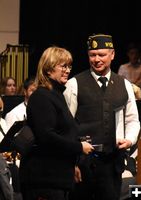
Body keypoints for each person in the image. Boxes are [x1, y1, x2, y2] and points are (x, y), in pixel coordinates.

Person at [64, 33, 140, 200]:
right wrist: (71, 163)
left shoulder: (125, 85)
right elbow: (67, 126)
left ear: (112, 55)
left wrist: (130, 139)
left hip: (113, 164)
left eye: (101, 55)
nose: (96, 59)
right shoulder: (74, 84)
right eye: (92, 55)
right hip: (83, 164)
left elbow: (132, 119)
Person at [19, 46, 94, 200]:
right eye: (63, 66)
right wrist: (79, 147)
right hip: (43, 181)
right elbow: (46, 137)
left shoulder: (56, 95)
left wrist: (72, 163)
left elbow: (63, 133)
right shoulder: (41, 96)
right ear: (48, 69)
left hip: (56, 180)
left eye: (69, 66)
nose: (67, 70)